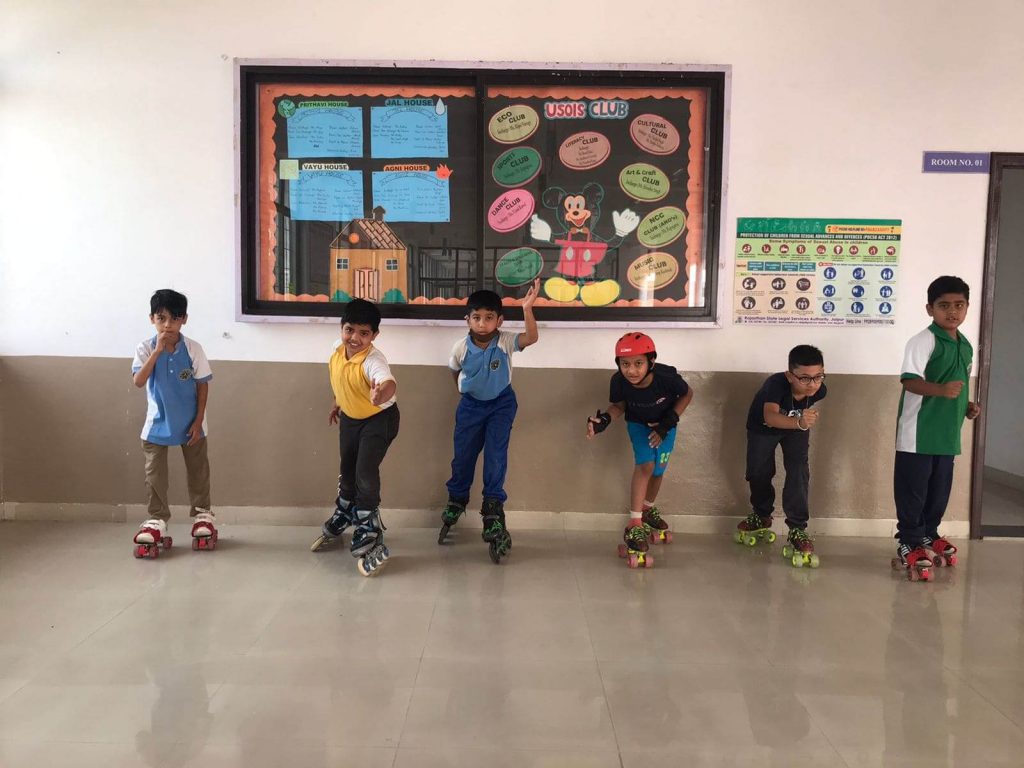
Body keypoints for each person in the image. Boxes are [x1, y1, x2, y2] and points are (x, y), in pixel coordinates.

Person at [437, 279, 540, 563]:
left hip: (501, 405)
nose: (482, 323)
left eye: (489, 317)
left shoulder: (505, 341)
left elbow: (531, 338)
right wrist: (463, 390)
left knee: (495, 455)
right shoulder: (461, 347)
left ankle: (492, 504)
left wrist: (527, 308)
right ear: (468, 320)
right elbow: (454, 370)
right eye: (477, 317)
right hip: (470, 407)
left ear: (499, 320)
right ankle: (457, 498)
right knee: (463, 456)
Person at [892, 275, 980, 581]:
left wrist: (967, 406)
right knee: (913, 491)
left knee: (938, 492)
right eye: (944, 305)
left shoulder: (965, 345)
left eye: (959, 305)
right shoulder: (923, 341)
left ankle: (929, 534)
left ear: (967, 307)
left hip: (946, 436)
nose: (952, 311)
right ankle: (909, 541)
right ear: (930, 309)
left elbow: (959, 384)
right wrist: (941, 391)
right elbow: (909, 380)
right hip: (917, 434)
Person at [587, 332, 693, 568]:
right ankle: (634, 523)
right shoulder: (618, 381)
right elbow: (619, 405)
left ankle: (647, 509)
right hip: (638, 425)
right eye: (625, 364)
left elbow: (688, 393)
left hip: (666, 426)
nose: (631, 370)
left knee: (658, 469)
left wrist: (668, 422)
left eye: (638, 363)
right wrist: (604, 420)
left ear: (651, 361)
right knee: (645, 465)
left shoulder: (666, 377)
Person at [310, 299, 399, 577]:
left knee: (364, 471)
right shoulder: (337, 350)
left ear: (374, 335)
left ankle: (368, 521)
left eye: (364, 333)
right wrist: (338, 402)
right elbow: (342, 379)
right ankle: (347, 509)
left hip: (379, 419)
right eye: (349, 330)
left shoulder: (373, 360)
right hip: (350, 418)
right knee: (347, 468)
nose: (355, 338)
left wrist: (380, 394)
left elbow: (388, 383)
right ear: (341, 328)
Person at [131, 289, 216, 557]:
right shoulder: (145, 348)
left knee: (198, 470)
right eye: (161, 318)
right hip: (156, 424)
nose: (168, 325)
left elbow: (202, 385)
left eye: (175, 318)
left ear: (184, 319)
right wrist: (157, 351)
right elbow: (138, 381)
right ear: (152, 319)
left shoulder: (193, 349)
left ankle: (202, 514)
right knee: (154, 473)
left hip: (191, 423)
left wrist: (198, 421)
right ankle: (157, 518)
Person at [735, 345, 827, 568]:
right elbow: (770, 416)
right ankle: (761, 514)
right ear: (789, 375)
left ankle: (797, 528)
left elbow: (802, 414)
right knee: (758, 471)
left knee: (799, 471)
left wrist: (800, 424)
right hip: (763, 429)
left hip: (795, 430)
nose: (812, 384)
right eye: (804, 378)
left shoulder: (820, 390)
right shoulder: (775, 384)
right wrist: (800, 422)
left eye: (818, 377)